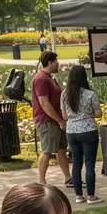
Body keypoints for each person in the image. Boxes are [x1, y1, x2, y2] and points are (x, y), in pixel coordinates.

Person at [61, 66, 102, 204]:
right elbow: (98, 114)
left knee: (76, 163)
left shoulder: (64, 94)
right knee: (89, 164)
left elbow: (64, 116)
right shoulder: (90, 94)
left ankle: (79, 196)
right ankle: (91, 196)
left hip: (71, 131)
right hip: (88, 129)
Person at [32, 51, 71, 188]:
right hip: (47, 121)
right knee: (47, 151)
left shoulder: (50, 78)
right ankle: (41, 181)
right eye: (56, 61)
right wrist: (59, 120)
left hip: (56, 120)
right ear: (50, 62)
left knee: (61, 150)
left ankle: (68, 178)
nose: (58, 63)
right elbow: (44, 103)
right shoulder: (41, 79)